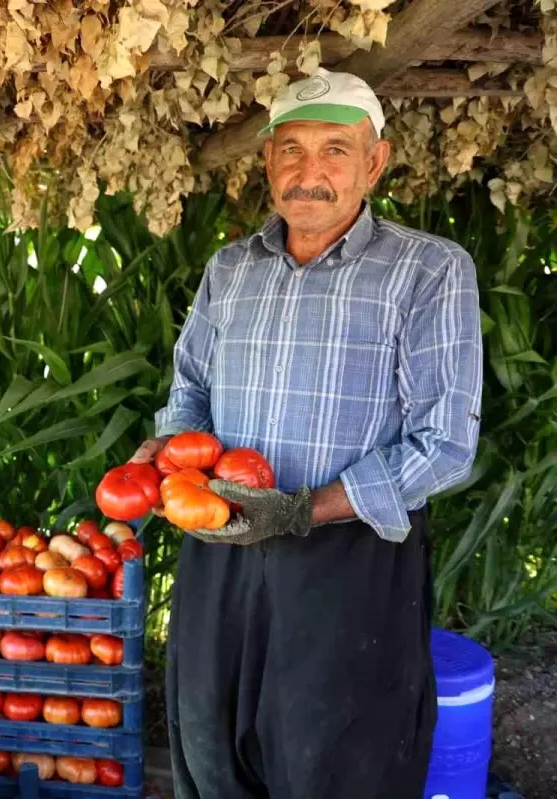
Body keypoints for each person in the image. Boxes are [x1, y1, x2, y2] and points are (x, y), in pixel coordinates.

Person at [135, 68, 483, 798]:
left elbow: (444, 442)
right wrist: (169, 452)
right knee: (209, 748)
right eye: (290, 150)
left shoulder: (427, 271)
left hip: (346, 563)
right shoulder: (230, 269)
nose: (309, 173)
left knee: (335, 766)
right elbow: (190, 390)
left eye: (334, 149)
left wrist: (301, 509)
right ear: (266, 160)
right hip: (219, 552)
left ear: (375, 161)